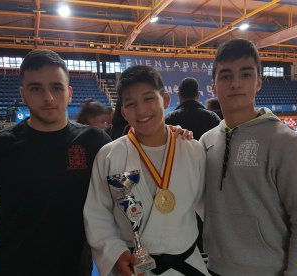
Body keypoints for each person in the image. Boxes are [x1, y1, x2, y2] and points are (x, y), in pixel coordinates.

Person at [0, 49, 112, 276]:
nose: (48, 98)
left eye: (56, 87)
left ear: (70, 92)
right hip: (12, 269)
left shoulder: (94, 141)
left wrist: (173, 134)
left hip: (74, 270)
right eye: (36, 88)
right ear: (23, 94)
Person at [199, 38, 297, 276]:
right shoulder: (206, 141)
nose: (235, 83)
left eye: (246, 74)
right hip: (214, 267)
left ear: (258, 83)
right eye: (225, 76)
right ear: (213, 86)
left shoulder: (286, 143)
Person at [84, 65, 208, 276]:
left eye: (149, 99)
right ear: (123, 111)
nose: (141, 110)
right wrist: (116, 253)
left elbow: (210, 207)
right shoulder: (109, 155)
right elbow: (97, 214)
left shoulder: (194, 150)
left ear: (165, 100)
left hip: (186, 265)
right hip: (132, 268)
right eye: (131, 104)